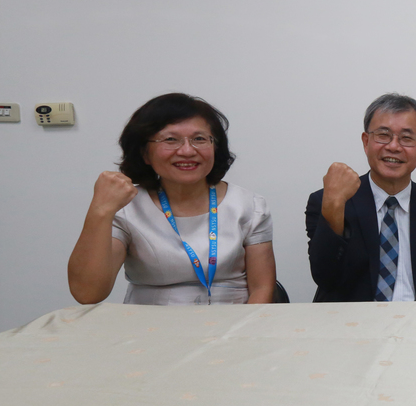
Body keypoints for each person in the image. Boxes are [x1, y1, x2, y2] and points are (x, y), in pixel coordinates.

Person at [68, 93, 276, 305]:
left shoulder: (249, 205)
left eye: (199, 139)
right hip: (149, 329)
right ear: (145, 153)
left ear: (215, 147)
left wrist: (240, 336)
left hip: (233, 326)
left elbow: (262, 288)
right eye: (170, 140)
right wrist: (100, 211)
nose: (187, 151)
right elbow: (88, 293)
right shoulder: (126, 207)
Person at [305, 93, 416, 302]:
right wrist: (334, 206)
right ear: (366, 142)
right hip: (350, 326)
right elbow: (326, 279)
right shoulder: (329, 202)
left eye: (407, 138)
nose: (393, 146)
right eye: (383, 135)